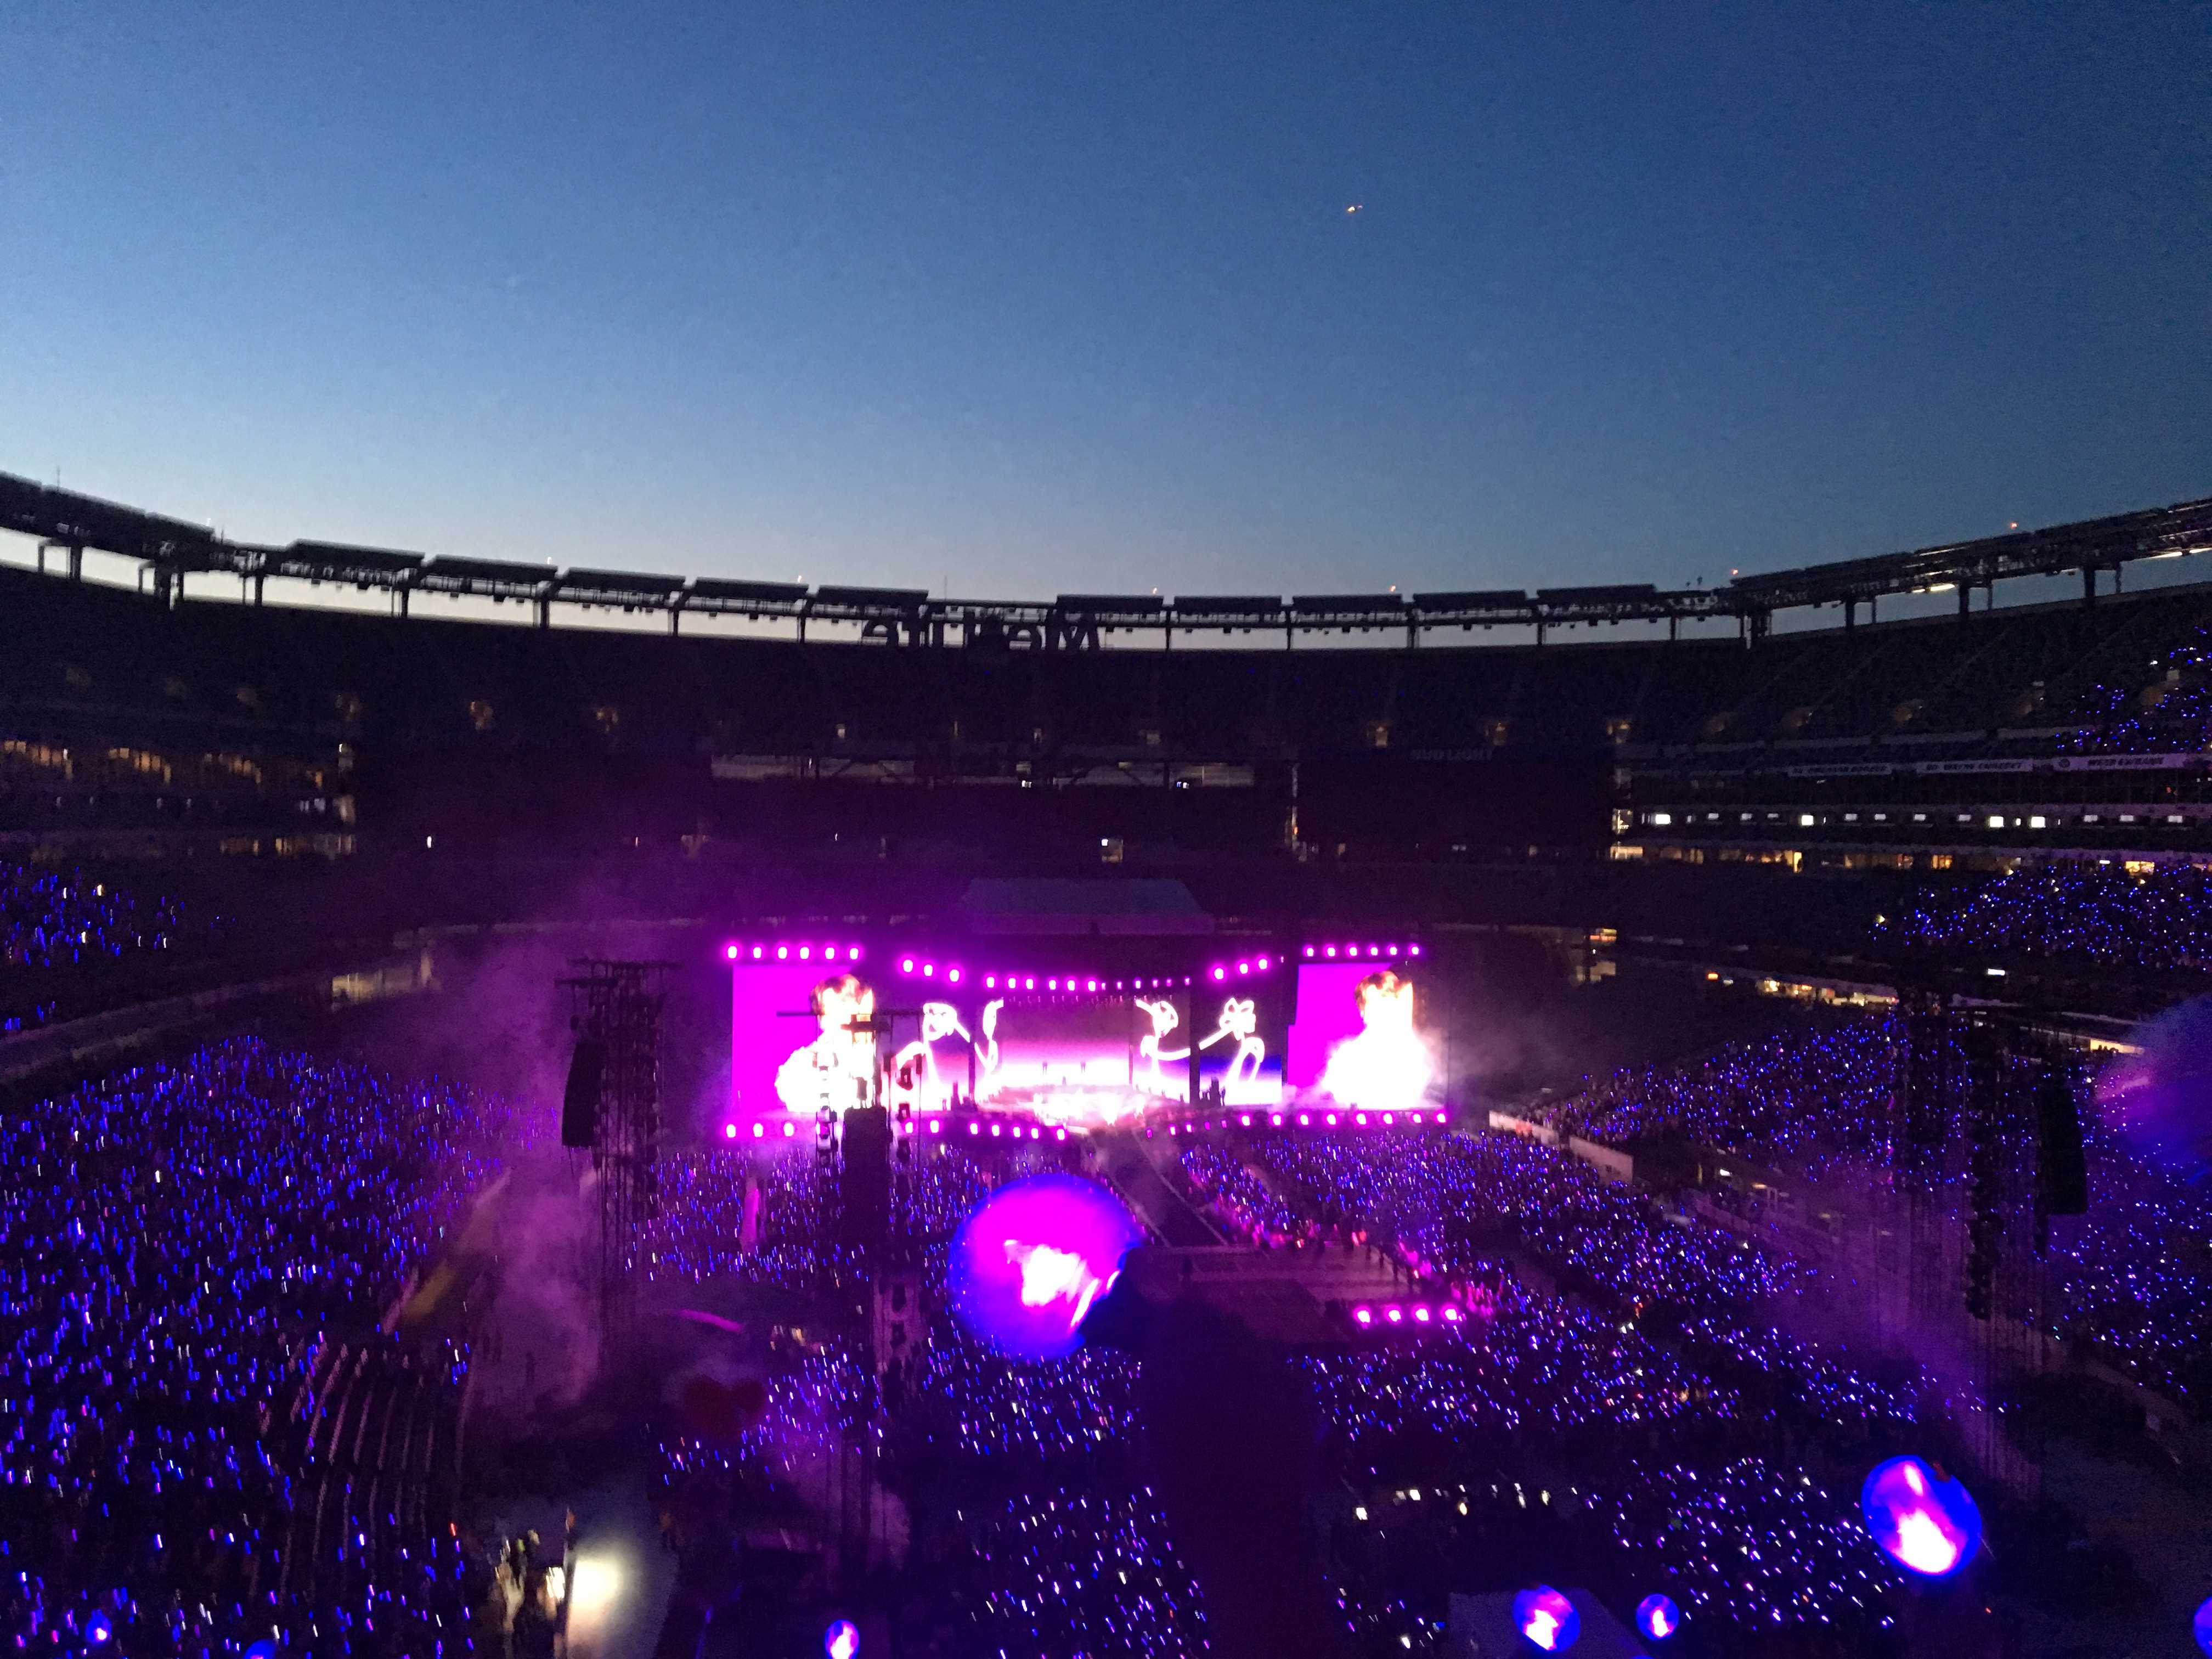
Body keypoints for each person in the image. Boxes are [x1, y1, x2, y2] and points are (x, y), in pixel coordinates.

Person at [1316, 970, 1433, 1113]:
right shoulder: (1347, 1055)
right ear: (1363, 1011)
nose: (1380, 1009)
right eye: (1373, 1003)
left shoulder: (1415, 1052)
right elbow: (1336, 1095)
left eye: (1385, 1000)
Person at [776, 974, 877, 1115]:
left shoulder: (874, 1053)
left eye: (846, 1001)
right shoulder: (802, 1061)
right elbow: (790, 1093)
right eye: (830, 1008)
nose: (841, 1012)